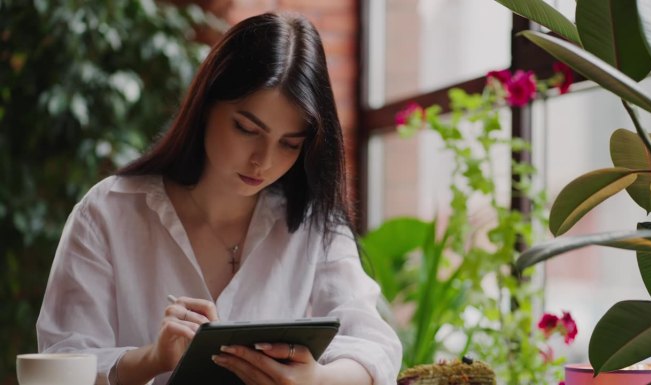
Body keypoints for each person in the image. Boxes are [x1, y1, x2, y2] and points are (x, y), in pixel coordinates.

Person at [36, 11, 402, 385]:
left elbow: (375, 345)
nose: (264, 160)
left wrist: (317, 380)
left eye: (289, 144)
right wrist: (151, 358)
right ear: (206, 105)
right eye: (246, 128)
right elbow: (60, 364)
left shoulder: (313, 224)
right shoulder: (109, 212)